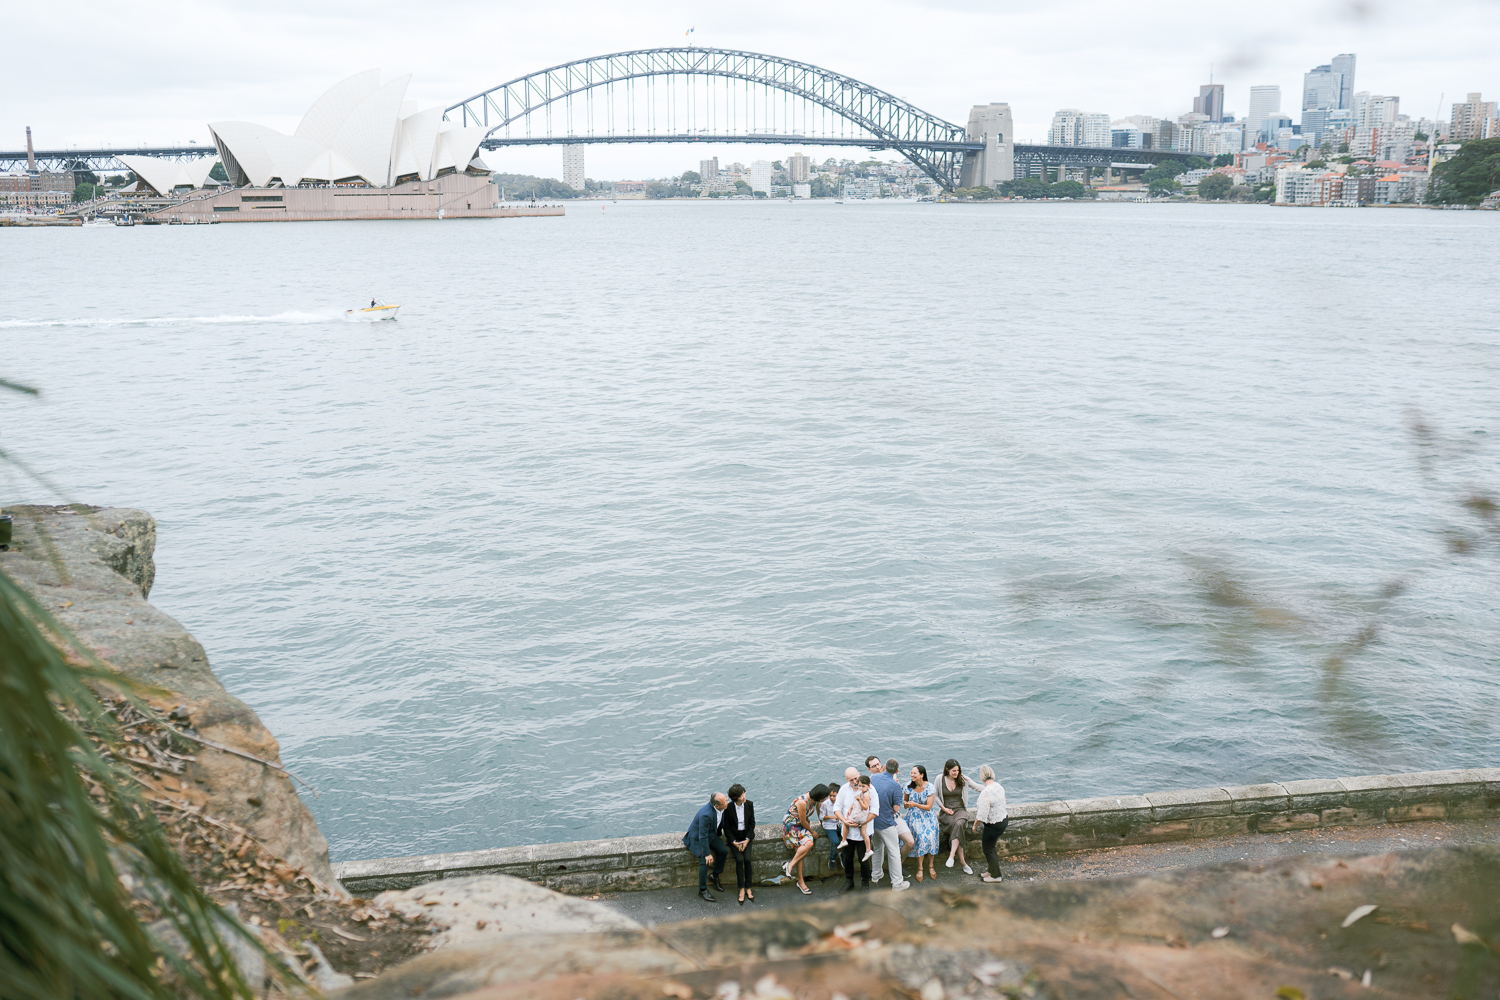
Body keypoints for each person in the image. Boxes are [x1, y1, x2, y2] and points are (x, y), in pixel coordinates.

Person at [868, 757, 910, 891]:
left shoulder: (873, 778)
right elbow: (897, 808)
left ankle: (876, 875)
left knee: (877, 848)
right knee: (894, 852)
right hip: (886, 822)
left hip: (873, 821)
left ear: (884, 767)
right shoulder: (895, 785)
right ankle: (897, 883)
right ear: (897, 770)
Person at [780, 784, 828, 895]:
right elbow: (803, 822)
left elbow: (818, 813)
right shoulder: (802, 802)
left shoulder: (815, 800)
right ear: (820, 796)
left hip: (801, 826)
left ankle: (792, 868)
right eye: (825, 797)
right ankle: (798, 877)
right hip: (792, 826)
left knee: (801, 849)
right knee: (807, 845)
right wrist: (812, 831)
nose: (826, 799)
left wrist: (822, 824)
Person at [938, 758, 984, 874]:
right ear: (947, 770)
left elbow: (978, 787)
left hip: (960, 810)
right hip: (946, 811)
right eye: (954, 771)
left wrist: (994, 790)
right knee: (958, 829)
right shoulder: (939, 779)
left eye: (958, 770)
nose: (956, 773)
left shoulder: (963, 779)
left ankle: (952, 856)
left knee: (959, 823)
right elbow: (935, 796)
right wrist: (944, 809)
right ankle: (963, 863)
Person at [683, 792, 728, 901]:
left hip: (710, 834)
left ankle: (714, 876)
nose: (727, 803)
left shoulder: (722, 808)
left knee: (723, 851)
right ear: (717, 806)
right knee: (705, 861)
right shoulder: (706, 814)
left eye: (726, 800)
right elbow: (702, 836)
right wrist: (707, 854)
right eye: (725, 802)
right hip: (698, 838)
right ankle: (702, 890)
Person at [832, 767, 872, 890]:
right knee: (847, 858)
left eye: (856, 778)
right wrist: (845, 821)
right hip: (848, 832)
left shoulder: (869, 788)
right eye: (851, 780)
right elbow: (837, 808)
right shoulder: (843, 789)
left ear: (859, 774)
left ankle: (865, 883)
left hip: (863, 830)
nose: (855, 782)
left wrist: (862, 822)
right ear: (846, 779)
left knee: (863, 859)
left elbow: (875, 809)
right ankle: (849, 882)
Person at [970, 765, 1008, 883]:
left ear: (981, 778)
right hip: (1003, 820)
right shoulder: (999, 786)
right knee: (992, 848)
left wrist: (975, 825)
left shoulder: (985, 793)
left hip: (993, 825)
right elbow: (1004, 800)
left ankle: (996, 876)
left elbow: (982, 815)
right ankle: (991, 871)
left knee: (988, 849)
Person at [721, 784, 757, 904]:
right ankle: (741, 888)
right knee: (739, 860)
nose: (744, 796)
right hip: (735, 838)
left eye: (744, 793)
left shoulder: (749, 805)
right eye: (742, 795)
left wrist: (747, 840)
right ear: (736, 797)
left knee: (747, 859)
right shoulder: (729, 808)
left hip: (746, 837)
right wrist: (734, 842)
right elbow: (726, 828)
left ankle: (749, 888)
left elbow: (752, 824)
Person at [904, 764, 940, 882]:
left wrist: (915, 804)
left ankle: (931, 865)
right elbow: (904, 803)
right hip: (914, 816)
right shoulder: (908, 787)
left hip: (927, 816)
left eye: (914, 773)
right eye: (911, 773)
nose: (912, 775)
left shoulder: (929, 787)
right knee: (920, 836)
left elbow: (929, 807)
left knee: (930, 837)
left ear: (922, 775)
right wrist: (907, 804)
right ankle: (920, 868)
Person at [842, 776, 876, 860]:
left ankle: (843, 840)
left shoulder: (866, 795)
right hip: (863, 816)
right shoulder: (862, 793)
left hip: (861, 815)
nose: (861, 788)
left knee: (846, 822)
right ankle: (868, 850)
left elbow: (865, 807)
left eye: (863, 786)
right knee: (864, 833)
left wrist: (859, 800)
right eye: (860, 786)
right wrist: (850, 808)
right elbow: (854, 802)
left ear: (868, 786)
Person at [820, 780, 843, 870]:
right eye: (830, 796)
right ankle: (832, 858)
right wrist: (831, 817)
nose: (832, 798)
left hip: (838, 824)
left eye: (834, 796)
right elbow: (822, 817)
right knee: (835, 842)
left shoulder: (841, 802)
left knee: (848, 838)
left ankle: (843, 855)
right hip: (829, 825)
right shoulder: (825, 804)